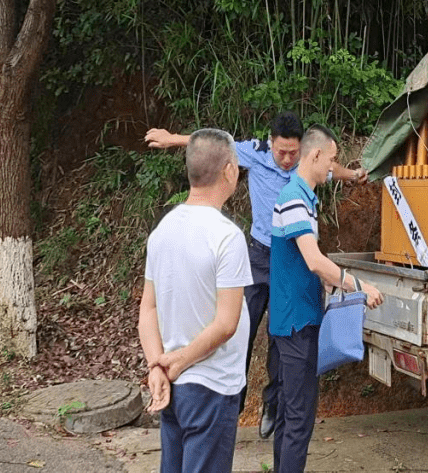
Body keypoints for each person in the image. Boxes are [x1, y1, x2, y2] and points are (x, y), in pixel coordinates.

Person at [145, 112, 367, 438]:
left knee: (281, 336)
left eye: (294, 152)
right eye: (282, 152)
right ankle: (232, 405)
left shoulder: (308, 162)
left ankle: (272, 405)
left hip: (288, 261)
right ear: (271, 143)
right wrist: (171, 139)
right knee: (238, 330)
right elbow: (214, 145)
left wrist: (355, 175)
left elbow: (332, 168)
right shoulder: (255, 151)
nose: (288, 158)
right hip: (256, 256)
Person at [268, 124, 384, 473]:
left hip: (297, 319)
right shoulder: (293, 199)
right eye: (332, 159)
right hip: (295, 323)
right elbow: (314, 260)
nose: (333, 167)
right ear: (315, 155)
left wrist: (333, 286)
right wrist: (357, 285)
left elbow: (306, 265)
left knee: (292, 415)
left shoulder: (303, 197)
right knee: (299, 419)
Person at [137, 128, 253, 473]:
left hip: (172, 385)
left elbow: (148, 308)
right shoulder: (227, 237)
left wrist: (157, 364)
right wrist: (181, 360)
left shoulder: (163, 229)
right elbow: (226, 323)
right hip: (210, 386)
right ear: (229, 171)